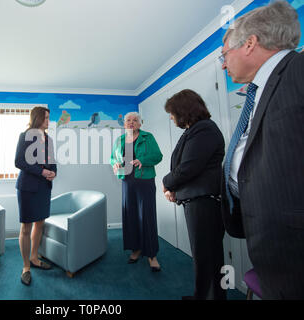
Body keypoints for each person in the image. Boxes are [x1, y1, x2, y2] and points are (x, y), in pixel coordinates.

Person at [220, 1, 304, 299]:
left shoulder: (298, 71)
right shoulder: (260, 90)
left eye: (224, 54)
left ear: (250, 43)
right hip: (268, 238)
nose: (223, 64)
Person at [162, 89, 226, 300]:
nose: (171, 118)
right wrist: (175, 190)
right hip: (197, 200)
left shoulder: (204, 129)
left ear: (183, 110)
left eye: (172, 113)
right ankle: (203, 295)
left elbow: (188, 168)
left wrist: (166, 183)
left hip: (204, 203)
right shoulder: (195, 130)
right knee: (205, 256)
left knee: (207, 257)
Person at [110, 112, 163, 271]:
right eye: (128, 120)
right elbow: (113, 158)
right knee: (130, 215)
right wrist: (116, 164)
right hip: (127, 181)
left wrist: (143, 160)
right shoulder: (119, 140)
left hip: (145, 181)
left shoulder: (148, 137)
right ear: (124, 123)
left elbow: (158, 156)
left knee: (146, 216)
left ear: (140, 124)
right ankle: (136, 249)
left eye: (135, 120)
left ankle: (152, 255)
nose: (131, 123)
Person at [15, 106, 57, 286]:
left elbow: (53, 162)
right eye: (46, 118)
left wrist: (53, 172)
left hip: (44, 187)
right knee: (26, 227)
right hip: (27, 187)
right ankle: (26, 267)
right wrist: (42, 172)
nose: (48, 121)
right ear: (37, 118)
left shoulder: (49, 139)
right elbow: (19, 161)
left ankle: (34, 257)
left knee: (40, 223)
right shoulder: (25, 136)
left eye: (49, 118)